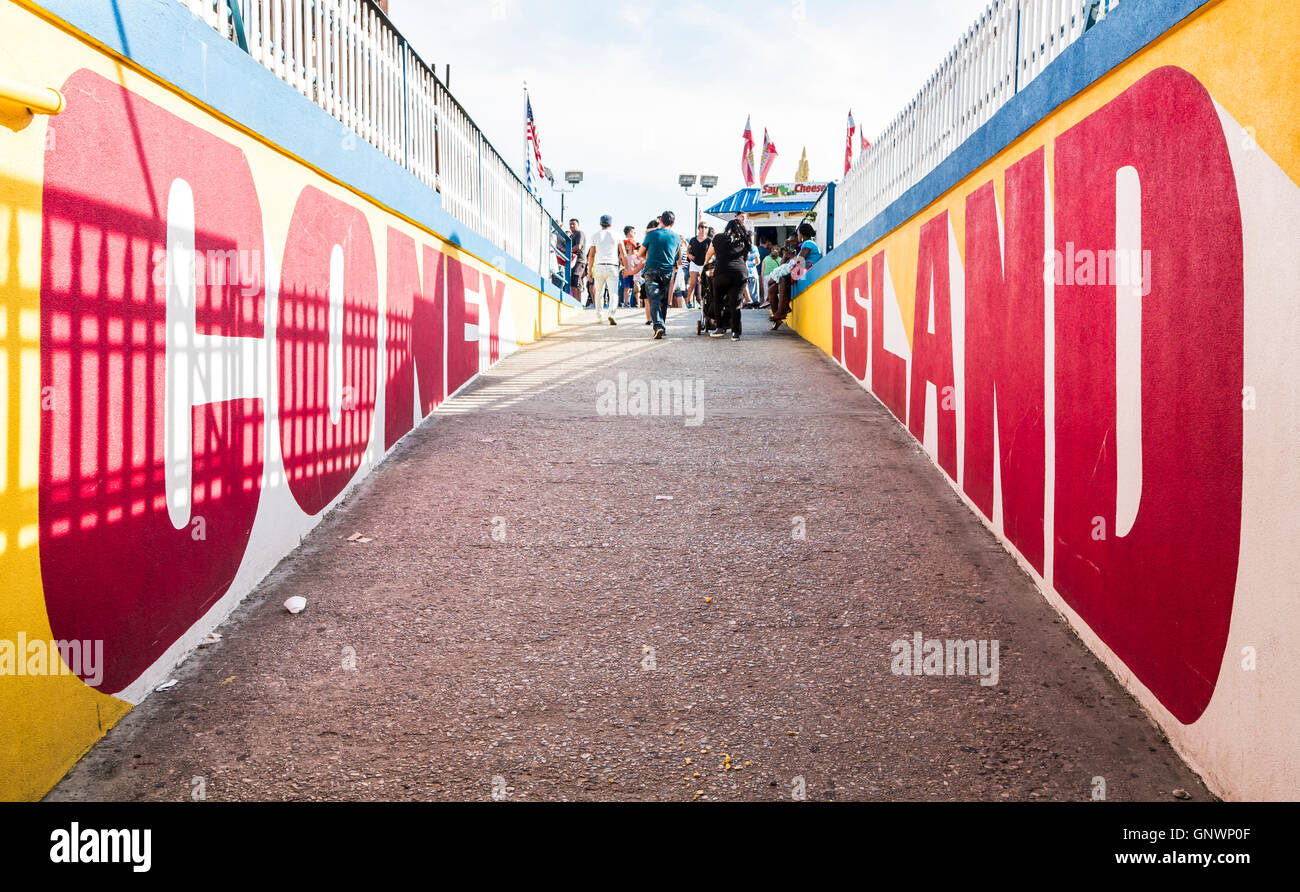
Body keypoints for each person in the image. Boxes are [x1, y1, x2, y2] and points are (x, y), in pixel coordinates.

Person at [704, 216, 751, 341]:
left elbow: (709, 254)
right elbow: (745, 258)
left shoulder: (718, 238)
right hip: (739, 273)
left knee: (718, 301)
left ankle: (719, 328)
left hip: (721, 272)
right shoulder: (744, 240)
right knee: (735, 304)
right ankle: (735, 334)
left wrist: (705, 264)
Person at [771, 222, 822, 330]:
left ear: (802, 235)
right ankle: (778, 316)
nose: (797, 236)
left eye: (798, 234)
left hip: (806, 271)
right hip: (801, 271)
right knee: (772, 289)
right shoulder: (807, 243)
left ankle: (781, 311)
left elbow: (800, 259)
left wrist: (791, 257)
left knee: (783, 279)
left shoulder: (808, 243)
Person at [637, 210, 679, 339]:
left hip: (651, 270)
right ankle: (662, 326)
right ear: (673, 223)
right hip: (666, 272)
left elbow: (640, 253)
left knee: (653, 300)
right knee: (663, 300)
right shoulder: (677, 237)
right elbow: (675, 256)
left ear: (661, 220)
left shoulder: (652, 234)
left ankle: (658, 326)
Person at [587, 214, 620, 325]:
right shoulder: (616, 235)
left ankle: (599, 317)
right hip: (612, 266)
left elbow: (591, 255)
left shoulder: (595, 236)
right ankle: (612, 314)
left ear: (600, 223)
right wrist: (626, 267)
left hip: (599, 266)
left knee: (599, 293)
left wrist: (589, 271)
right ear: (611, 224)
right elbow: (623, 253)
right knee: (613, 292)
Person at [686, 222, 710, 309]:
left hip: (704, 264)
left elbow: (712, 252)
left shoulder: (709, 240)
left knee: (704, 284)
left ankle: (702, 302)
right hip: (694, 263)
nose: (704, 229)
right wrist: (688, 255)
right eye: (702, 227)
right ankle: (689, 302)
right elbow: (688, 249)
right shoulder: (693, 239)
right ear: (698, 228)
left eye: (706, 227)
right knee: (692, 283)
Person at [640, 218, 659, 325]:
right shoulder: (659, 240)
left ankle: (649, 319)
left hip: (648, 269)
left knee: (647, 298)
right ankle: (653, 319)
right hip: (657, 268)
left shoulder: (647, 240)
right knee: (651, 297)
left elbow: (641, 254)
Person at [567, 218, 587, 303]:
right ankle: (575, 302)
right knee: (572, 282)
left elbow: (578, 246)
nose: (571, 226)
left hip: (579, 261)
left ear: (578, 225)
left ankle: (578, 303)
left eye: (573, 224)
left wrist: (567, 251)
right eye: (570, 224)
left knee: (576, 280)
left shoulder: (580, 233)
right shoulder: (571, 236)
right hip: (572, 261)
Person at [619, 225, 640, 308]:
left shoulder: (635, 253)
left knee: (636, 289)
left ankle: (637, 303)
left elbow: (639, 262)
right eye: (632, 232)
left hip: (634, 273)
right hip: (625, 272)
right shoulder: (622, 247)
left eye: (629, 245)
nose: (627, 246)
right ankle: (625, 302)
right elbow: (621, 260)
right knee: (625, 287)